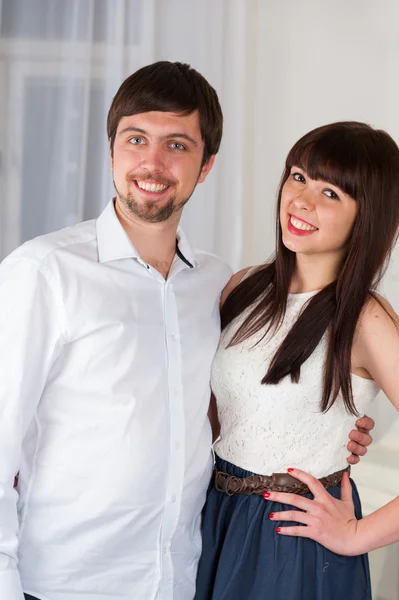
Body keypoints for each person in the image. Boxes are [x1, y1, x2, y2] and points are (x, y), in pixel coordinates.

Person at [0, 63, 372, 600]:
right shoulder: (43, 272)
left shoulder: (222, 286)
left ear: (206, 166)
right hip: (64, 583)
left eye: (177, 145)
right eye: (135, 140)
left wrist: (341, 429)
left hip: (188, 576)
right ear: (111, 151)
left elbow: (237, 406)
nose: (152, 163)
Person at [195, 121, 399, 600]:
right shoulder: (243, 287)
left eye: (331, 193)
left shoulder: (365, 320)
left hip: (292, 537)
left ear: (365, 216)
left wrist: (357, 534)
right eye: (298, 177)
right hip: (213, 517)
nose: (302, 201)